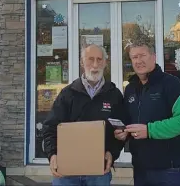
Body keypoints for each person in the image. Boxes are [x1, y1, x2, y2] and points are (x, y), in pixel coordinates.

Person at [43, 44, 125, 186]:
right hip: (66, 172)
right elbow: (50, 127)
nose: (95, 64)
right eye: (90, 59)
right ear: (82, 62)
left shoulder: (114, 95)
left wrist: (112, 152)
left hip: (99, 172)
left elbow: (121, 130)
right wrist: (52, 154)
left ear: (105, 63)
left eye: (99, 59)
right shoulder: (67, 94)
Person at [115, 41, 180, 186]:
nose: (138, 61)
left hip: (168, 170)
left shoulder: (171, 84)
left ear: (153, 57)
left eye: (142, 55)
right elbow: (129, 121)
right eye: (134, 57)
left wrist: (149, 130)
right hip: (140, 169)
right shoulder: (130, 88)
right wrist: (123, 132)